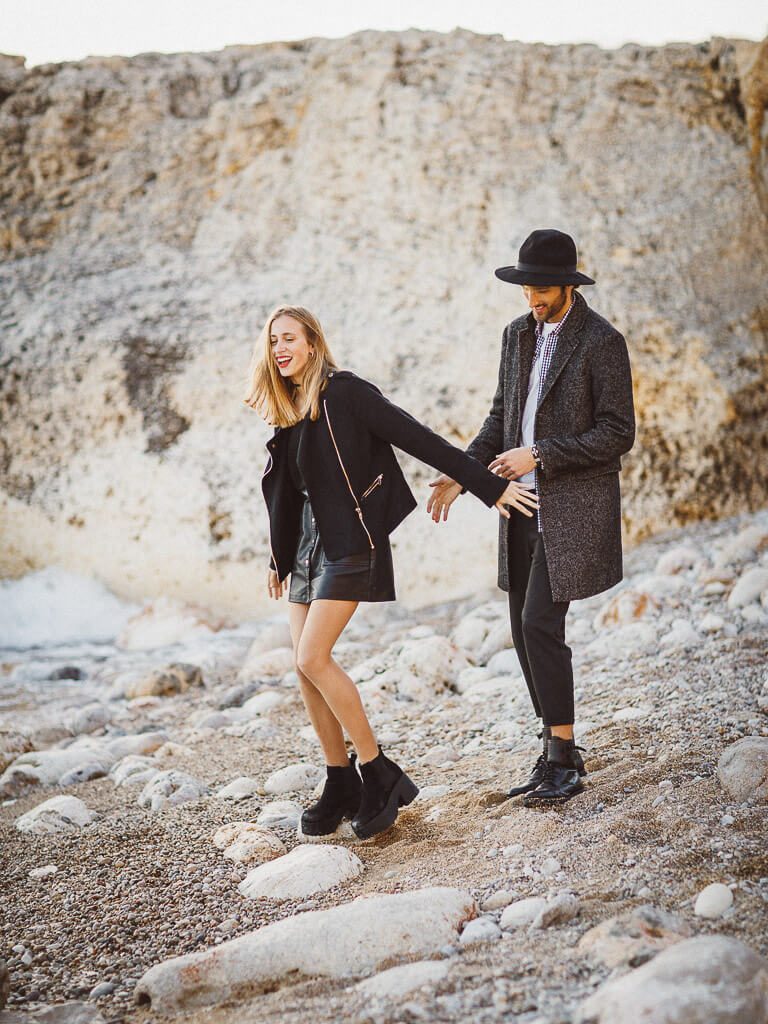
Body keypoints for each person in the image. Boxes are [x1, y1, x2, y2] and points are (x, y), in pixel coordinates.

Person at [245, 305, 539, 839]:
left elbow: (419, 438)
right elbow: (288, 494)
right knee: (301, 665)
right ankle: (340, 781)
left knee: (315, 655)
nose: (279, 349)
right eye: (272, 341)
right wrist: (277, 556)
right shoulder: (289, 409)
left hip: (351, 540)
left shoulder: (348, 393)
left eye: (289, 338)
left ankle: (378, 772)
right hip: (309, 546)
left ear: (313, 341)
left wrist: (487, 486)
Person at [428, 229, 635, 804]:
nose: (533, 298)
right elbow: (500, 417)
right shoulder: (516, 335)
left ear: (568, 284)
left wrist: (540, 454)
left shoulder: (602, 341)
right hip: (515, 502)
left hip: (572, 509)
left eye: (542, 288)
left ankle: (563, 759)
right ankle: (553, 749)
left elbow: (620, 432)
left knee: (542, 623)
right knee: (522, 627)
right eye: (526, 287)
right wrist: (463, 472)